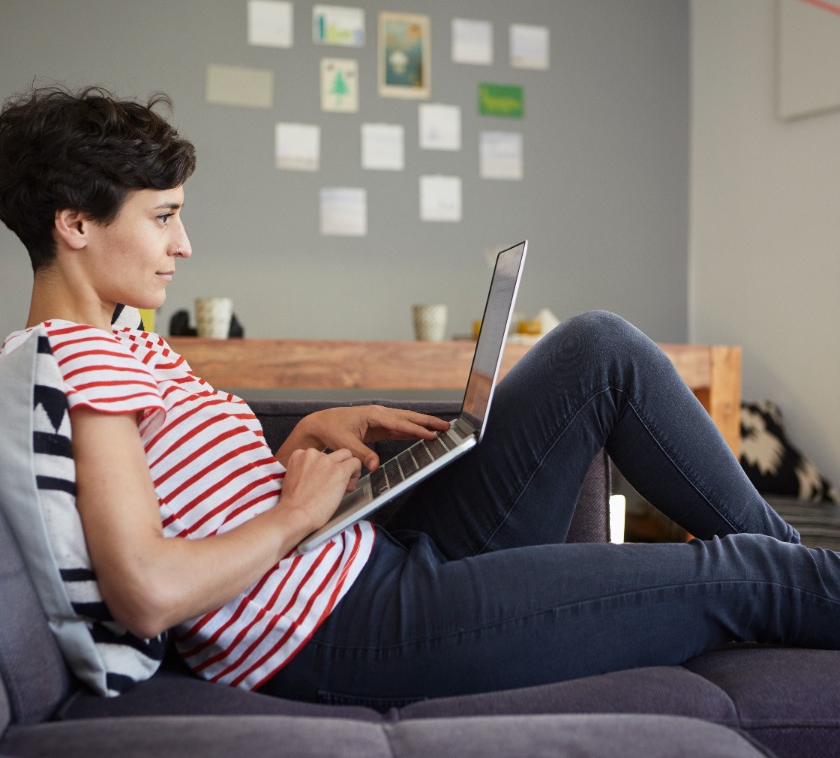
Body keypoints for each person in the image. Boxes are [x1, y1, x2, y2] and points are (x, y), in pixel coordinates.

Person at [0, 85, 839, 709]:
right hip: (344, 629)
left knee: (601, 350)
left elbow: (178, 489)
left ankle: (809, 590)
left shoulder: (121, 341)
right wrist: (292, 517)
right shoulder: (79, 360)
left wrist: (291, 444)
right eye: (162, 217)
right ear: (75, 225)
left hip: (365, 563)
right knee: (741, 574)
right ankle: (803, 588)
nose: (185, 243)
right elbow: (145, 587)